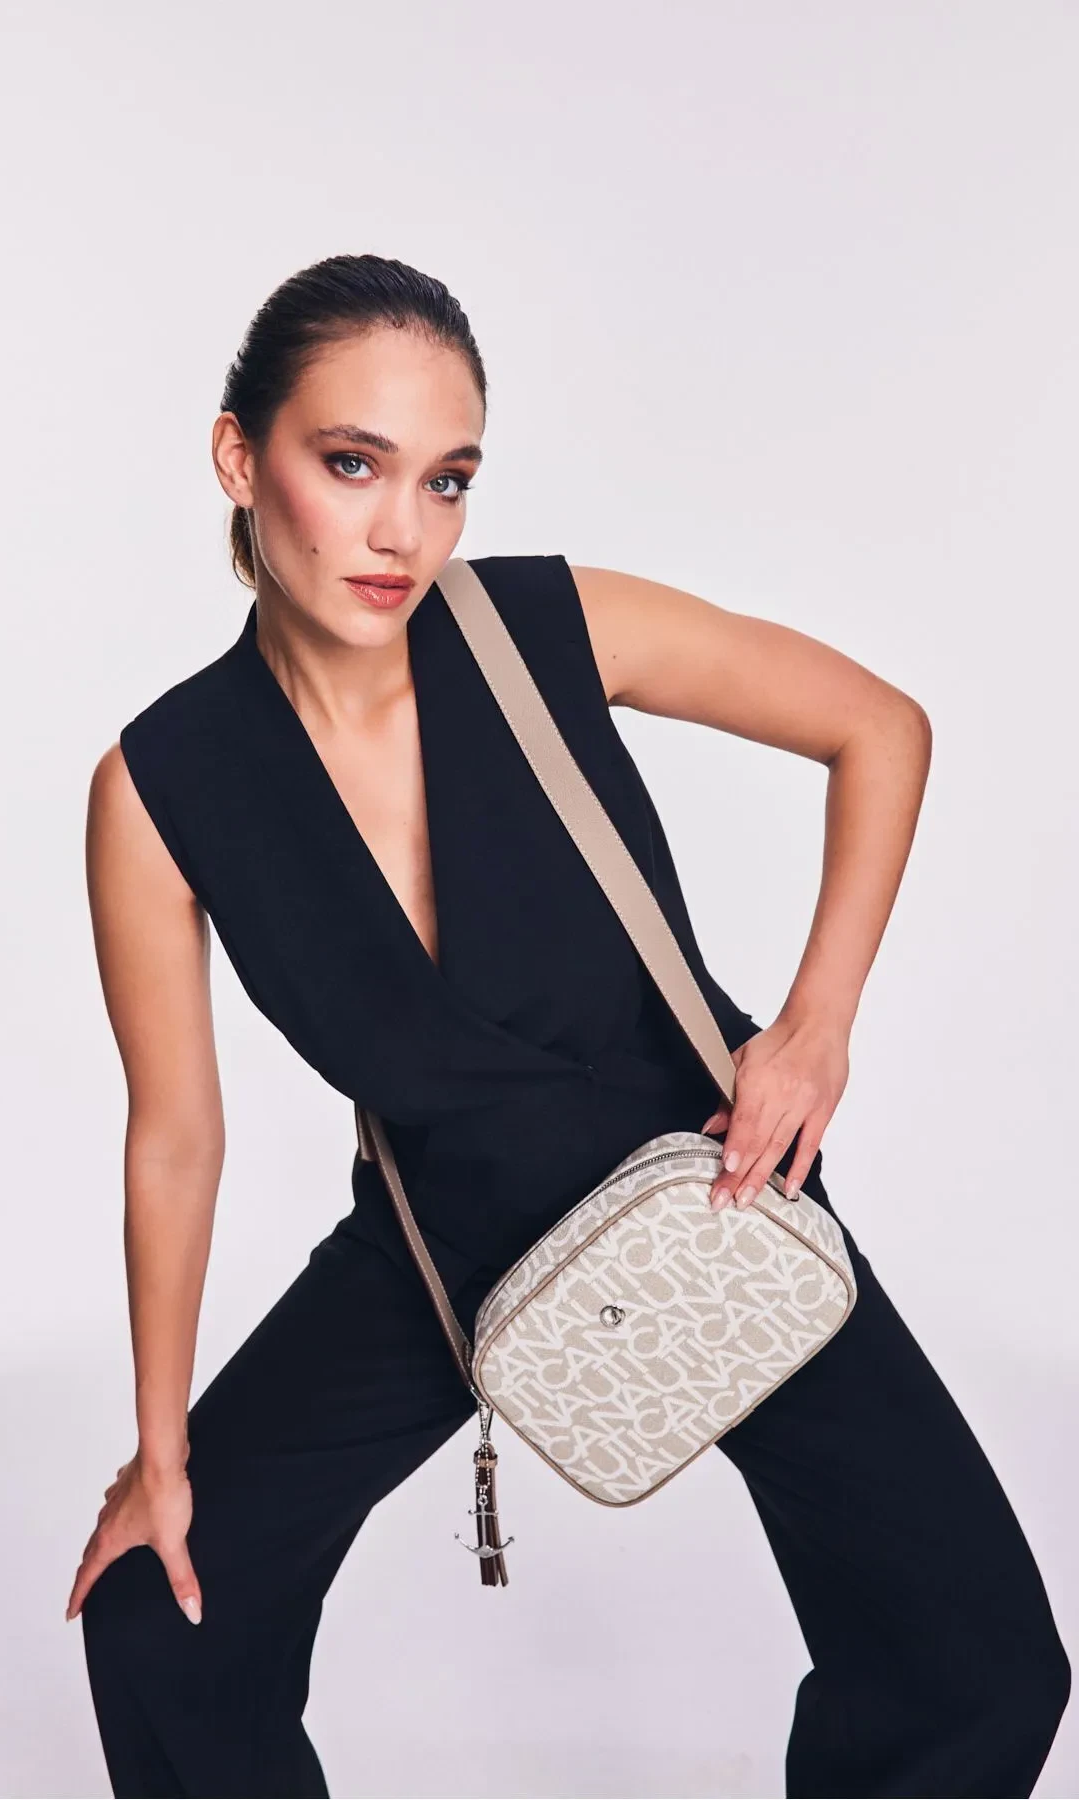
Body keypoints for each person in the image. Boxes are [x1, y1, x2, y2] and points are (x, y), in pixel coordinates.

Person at [67, 252, 1069, 1799]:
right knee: (161, 1615)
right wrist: (161, 1453)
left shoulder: (543, 625)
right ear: (239, 460)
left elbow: (880, 725)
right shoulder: (161, 788)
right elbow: (175, 1139)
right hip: (437, 1250)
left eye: (447, 479)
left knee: (978, 1661)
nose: (404, 530)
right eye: (353, 463)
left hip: (710, 1191)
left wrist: (814, 1029)